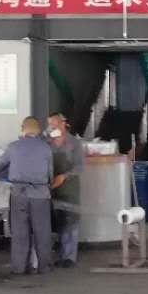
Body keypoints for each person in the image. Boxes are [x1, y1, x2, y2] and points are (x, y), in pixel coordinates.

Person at [0, 117, 53, 277]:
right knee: (42, 231)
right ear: (38, 130)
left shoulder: (13, 147)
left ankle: (19, 268)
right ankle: (44, 267)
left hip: (19, 193)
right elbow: (50, 174)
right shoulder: (45, 148)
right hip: (40, 194)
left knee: (20, 231)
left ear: (22, 128)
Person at [47, 112, 84, 267]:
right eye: (49, 124)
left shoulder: (74, 143)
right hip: (51, 187)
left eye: (53, 124)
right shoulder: (47, 142)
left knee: (71, 221)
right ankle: (59, 255)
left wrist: (64, 176)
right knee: (57, 222)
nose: (51, 127)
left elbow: (79, 167)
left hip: (70, 188)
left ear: (62, 123)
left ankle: (69, 257)